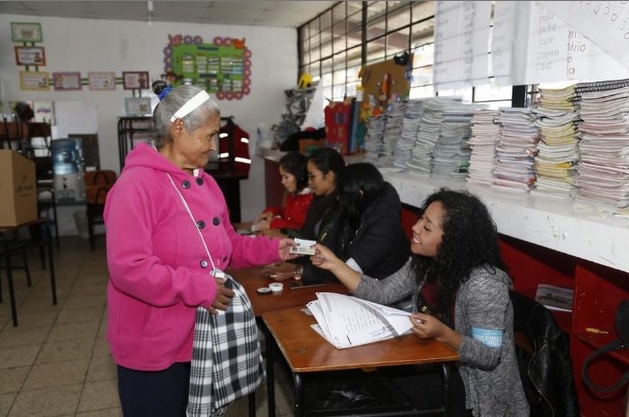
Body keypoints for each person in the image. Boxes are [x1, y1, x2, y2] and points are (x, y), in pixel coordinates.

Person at [104, 80, 296, 417]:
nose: (215, 147)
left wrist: (273, 249)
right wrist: (197, 286)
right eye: (209, 136)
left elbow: (226, 246)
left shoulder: (205, 183)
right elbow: (129, 268)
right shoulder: (136, 186)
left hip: (199, 337)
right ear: (178, 128)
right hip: (152, 344)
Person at [310, 188, 529, 416]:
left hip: (474, 388)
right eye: (420, 219)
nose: (414, 228)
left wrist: (441, 333)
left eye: (427, 227)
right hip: (431, 363)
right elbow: (382, 291)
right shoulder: (425, 263)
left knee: (383, 398)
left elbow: (488, 356)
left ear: (453, 239)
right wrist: (333, 263)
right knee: (360, 387)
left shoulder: (484, 283)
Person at [265, 162, 410, 285]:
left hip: (379, 294)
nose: (339, 199)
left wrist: (298, 270)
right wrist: (295, 249)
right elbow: (326, 243)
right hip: (351, 286)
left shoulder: (384, 225)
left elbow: (349, 270)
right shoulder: (354, 204)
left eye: (313, 176)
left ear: (359, 194)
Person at [262, 147, 345, 282]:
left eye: (312, 176)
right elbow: (308, 241)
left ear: (329, 176)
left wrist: (297, 270)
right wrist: (293, 262)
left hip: (329, 280)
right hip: (313, 271)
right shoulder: (319, 201)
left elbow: (331, 258)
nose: (309, 182)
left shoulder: (341, 208)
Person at [252, 151, 312, 232]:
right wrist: (272, 212)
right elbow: (287, 216)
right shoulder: (292, 195)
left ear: (300, 176)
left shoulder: (310, 199)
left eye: (286, 177)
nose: (282, 182)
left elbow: (301, 229)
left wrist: (274, 224)